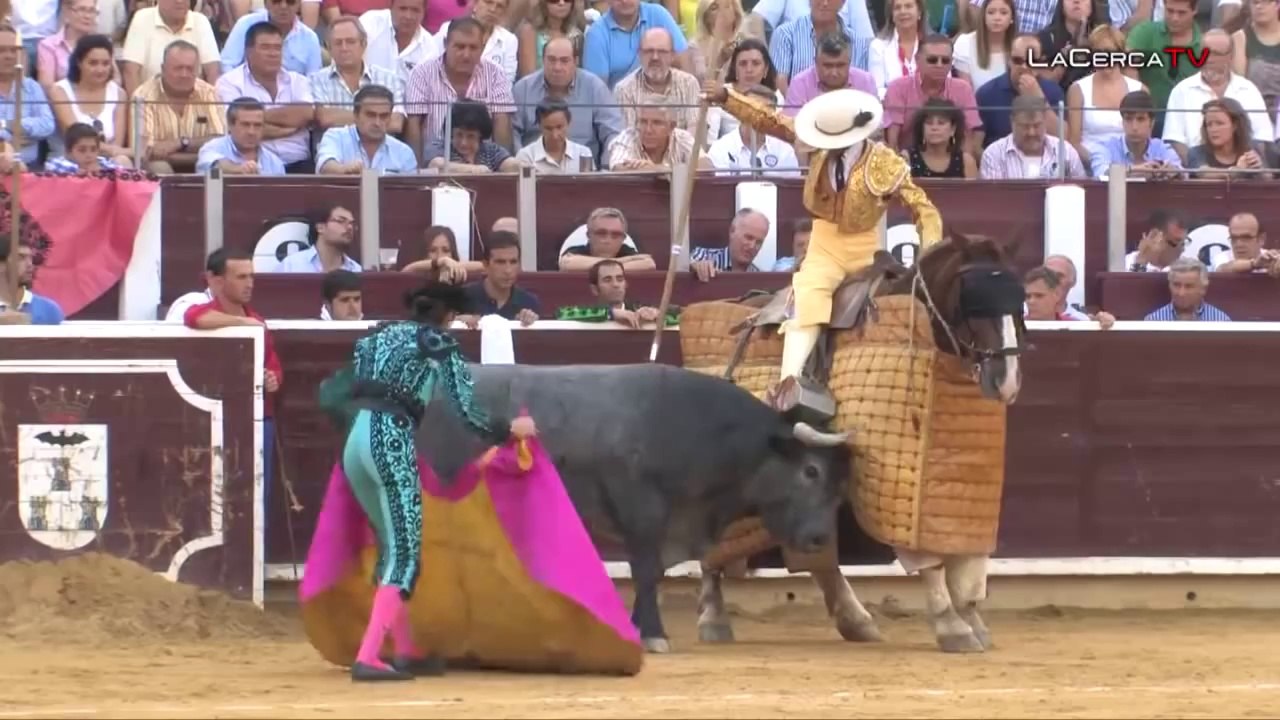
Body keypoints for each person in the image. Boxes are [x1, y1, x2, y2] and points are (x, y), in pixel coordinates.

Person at [320, 281, 538, 681]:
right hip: (390, 438)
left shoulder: (377, 336)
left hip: (355, 441)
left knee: (392, 546)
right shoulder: (438, 342)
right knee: (404, 553)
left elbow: (336, 391)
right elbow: (466, 411)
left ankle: (404, 649)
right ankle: (369, 656)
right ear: (449, 316)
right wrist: (509, 428)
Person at [704, 83, 942, 394]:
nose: (827, 147)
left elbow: (923, 208)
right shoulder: (819, 144)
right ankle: (788, 386)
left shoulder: (885, 162)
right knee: (807, 302)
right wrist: (728, 98)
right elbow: (770, 120)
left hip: (866, 250)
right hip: (825, 246)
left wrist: (931, 251)